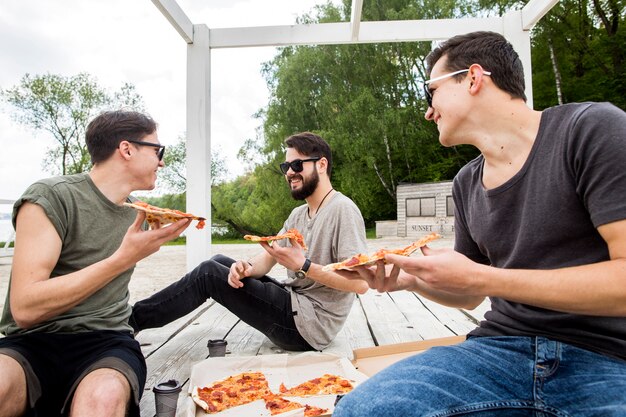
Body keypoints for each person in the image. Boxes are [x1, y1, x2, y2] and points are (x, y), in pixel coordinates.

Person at [334, 31, 626, 416]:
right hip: (499, 351)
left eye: (430, 93)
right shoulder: (466, 182)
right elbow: (469, 294)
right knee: (360, 410)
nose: (427, 111)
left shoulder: (591, 129)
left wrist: (485, 279)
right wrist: (410, 280)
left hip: (607, 358)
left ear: (473, 78)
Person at [0, 110, 190, 417]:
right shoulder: (50, 197)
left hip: (107, 343)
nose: (162, 161)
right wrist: (123, 259)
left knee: (102, 399)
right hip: (30, 343)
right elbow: (25, 309)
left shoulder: (139, 215)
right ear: (127, 149)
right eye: (158, 151)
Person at [130, 132, 368, 351]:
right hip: (296, 304)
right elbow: (266, 259)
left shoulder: (342, 210)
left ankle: (130, 321)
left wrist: (303, 266)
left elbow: (360, 284)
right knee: (220, 262)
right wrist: (244, 267)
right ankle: (133, 319)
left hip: (308, 328)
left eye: (297, 165)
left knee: (208, 274)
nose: (289, 172)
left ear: (322, 164)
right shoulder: (298, 215)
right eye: (286, 166)